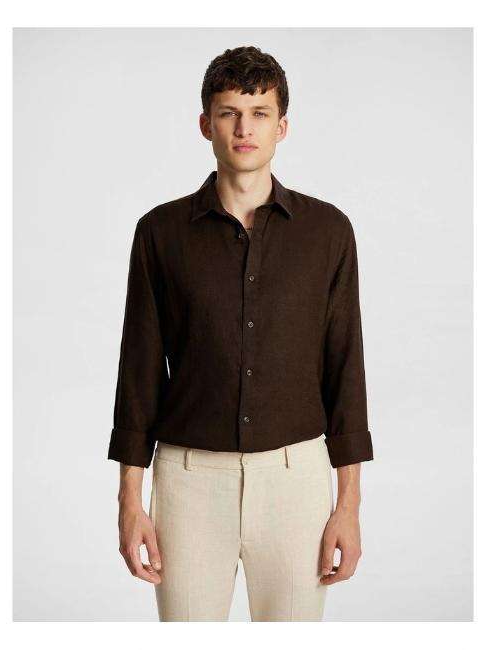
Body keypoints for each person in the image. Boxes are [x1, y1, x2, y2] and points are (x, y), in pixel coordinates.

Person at [108, 45, 374, 622]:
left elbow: (344, 370)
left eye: (259, 113)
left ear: (282, 126)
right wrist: (130, 500)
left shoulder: (328, 232)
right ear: (206, 124)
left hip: (296, 482)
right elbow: (139, 372)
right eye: (229, 112)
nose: (244, 128)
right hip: (188, 484)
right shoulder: (160, 234)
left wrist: (348, 505)